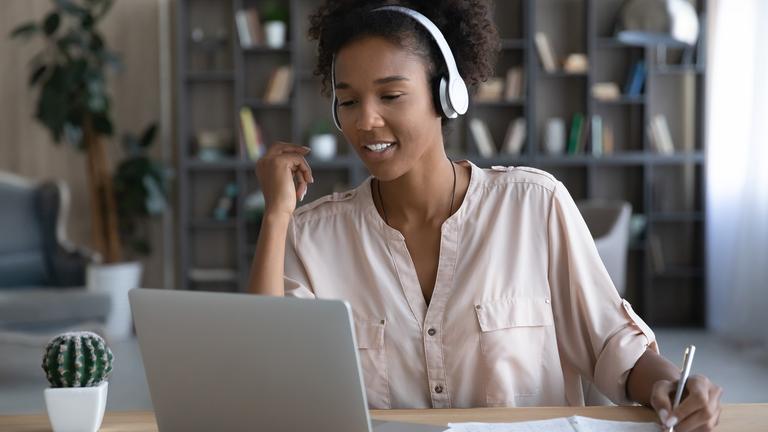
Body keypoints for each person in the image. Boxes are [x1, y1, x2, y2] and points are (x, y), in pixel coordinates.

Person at [248, 1, 722, 430]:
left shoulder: (534, 206)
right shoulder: (313, 236)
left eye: (390, 96)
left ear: (447, 95)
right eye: (348, 101)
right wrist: (276, 216)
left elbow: (614, 346)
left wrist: (670, 384)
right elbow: (269, 374)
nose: (365, 120)